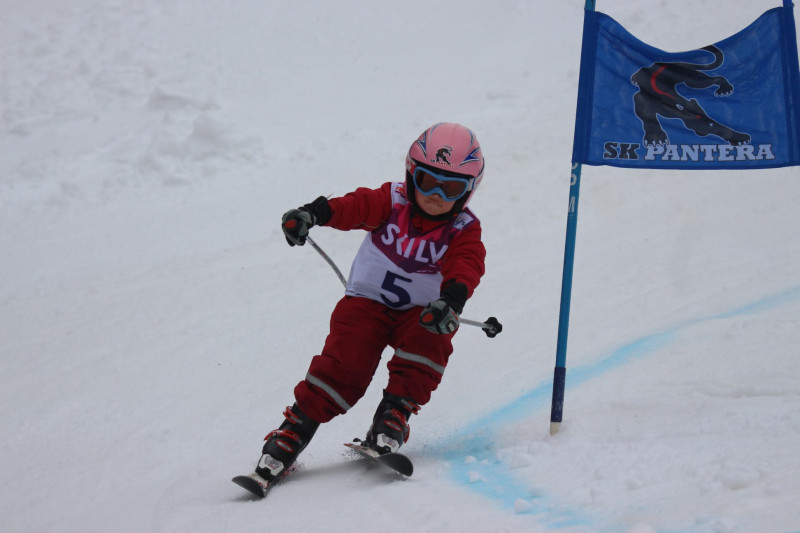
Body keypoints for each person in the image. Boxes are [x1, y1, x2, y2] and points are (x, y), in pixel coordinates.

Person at [254, 122, 487, 482]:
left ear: (469, 190)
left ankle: (395, 412)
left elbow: (467, 262)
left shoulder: (463, 229)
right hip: (367, 303)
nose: (438, 194)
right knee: (346, 362)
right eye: (428, 181)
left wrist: (451, 302)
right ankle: (295, 429)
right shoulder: (391, 201)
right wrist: (314, 213)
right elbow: (355, 206)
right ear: (411, 175)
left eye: (452, 187)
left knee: (433, 338)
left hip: (422, 314)